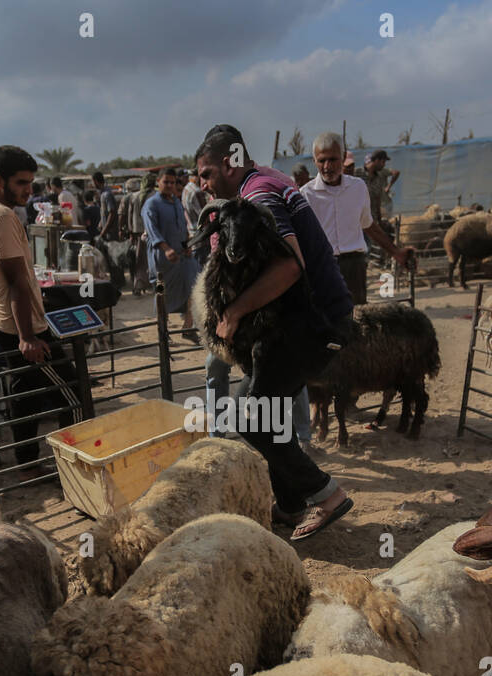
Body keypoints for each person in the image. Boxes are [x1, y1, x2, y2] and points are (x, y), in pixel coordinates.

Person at [194, 123, 355, 541]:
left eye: (208, 173)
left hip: (311, 327)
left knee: (251, 417)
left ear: (231, 161)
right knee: (256, 405)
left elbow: (290, 264)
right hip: (298, 327)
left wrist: (232, 313)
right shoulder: (267, 183)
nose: (204, 184)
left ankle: (327, 495)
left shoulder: (259, 196)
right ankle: (290, 504)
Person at [0, 146, 81, 469]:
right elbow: (16, 284)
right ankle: (76, 461)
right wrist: (27, 338)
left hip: (1, 322)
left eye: (31, 182)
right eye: (21, 183)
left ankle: (27, 460)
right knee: (73, 392)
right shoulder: (2, 218)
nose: (29, 190)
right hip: (22, 326)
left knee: (25, 393)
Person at [300, 131, 414, 305]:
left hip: (354, 267)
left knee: (357, 320)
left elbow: (369, 225)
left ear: (343, 156)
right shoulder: (306, 195)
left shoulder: (358, 188)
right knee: (325, 322)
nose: (327, 166)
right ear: (314, 161)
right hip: (322, 267)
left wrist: (395, 252)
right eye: (321, 160)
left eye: (333, 159)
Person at [142, 167, 201, 341]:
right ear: (158, 182)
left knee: (195, 289)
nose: (169, 185)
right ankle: (163, 330)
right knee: (161, 294)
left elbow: (182, 226)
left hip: (183, 258)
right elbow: (152, 231)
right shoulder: (151, 204)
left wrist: (187, 245)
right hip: (162, 261)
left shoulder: (176, 201)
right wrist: (166, 249)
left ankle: (188, 327)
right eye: (166, 182)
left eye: (173, 182)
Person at [363, 149, 400, 227]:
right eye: (383, 162)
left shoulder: (378, 178)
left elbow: (377, 200)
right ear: (376, 160)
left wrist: (379, 221)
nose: (384, 165)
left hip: (373, 221)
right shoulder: (358, 174)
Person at [91, 171, 118, 241]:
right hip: (106, 231)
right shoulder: (102, 193)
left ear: (96, 181)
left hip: (110, 232)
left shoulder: (106, 194)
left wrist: (104, 231)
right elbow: (104, 212)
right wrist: (101, 224)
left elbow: (112, 213)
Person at [181, 167, 209, 234]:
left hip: (191, 229)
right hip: (200, 231)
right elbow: (204, 215)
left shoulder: (186, 188)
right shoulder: (196, 191)